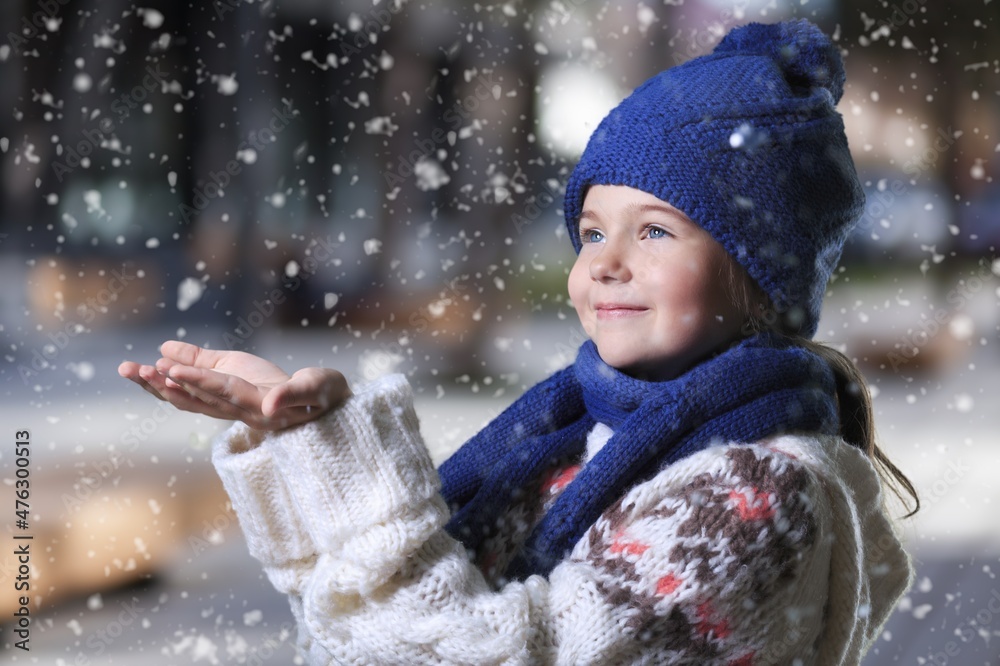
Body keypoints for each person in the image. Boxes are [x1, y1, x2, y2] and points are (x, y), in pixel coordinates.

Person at [119, 19, 917, 665]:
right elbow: (355, 635)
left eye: (653, 231)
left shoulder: (753, 492)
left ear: (758, 273)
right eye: (592, 229)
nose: (603, 262)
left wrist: (347, 457)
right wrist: (299, 443)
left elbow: (476, 656)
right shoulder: (570, 443)